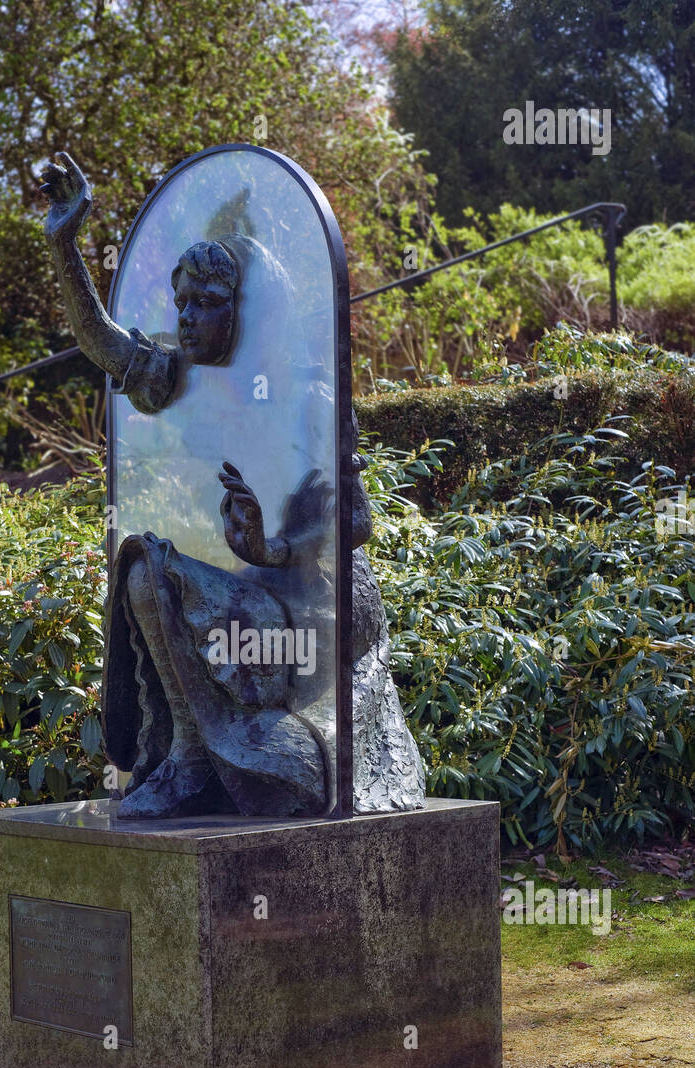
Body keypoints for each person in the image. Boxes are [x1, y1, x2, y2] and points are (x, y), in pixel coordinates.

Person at [40, 152, 425, 816]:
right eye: (181, 301)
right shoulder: (188, 378)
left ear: (247, 309)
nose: (187, 317)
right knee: (145, 571)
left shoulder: (309, 395)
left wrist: (275, 547)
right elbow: (105, 347)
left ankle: (243, 759)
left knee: (165, 580)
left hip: (325, 612)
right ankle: (188, 759)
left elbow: (356, 522)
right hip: (257, 593)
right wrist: (63, 244)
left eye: (207, 304)